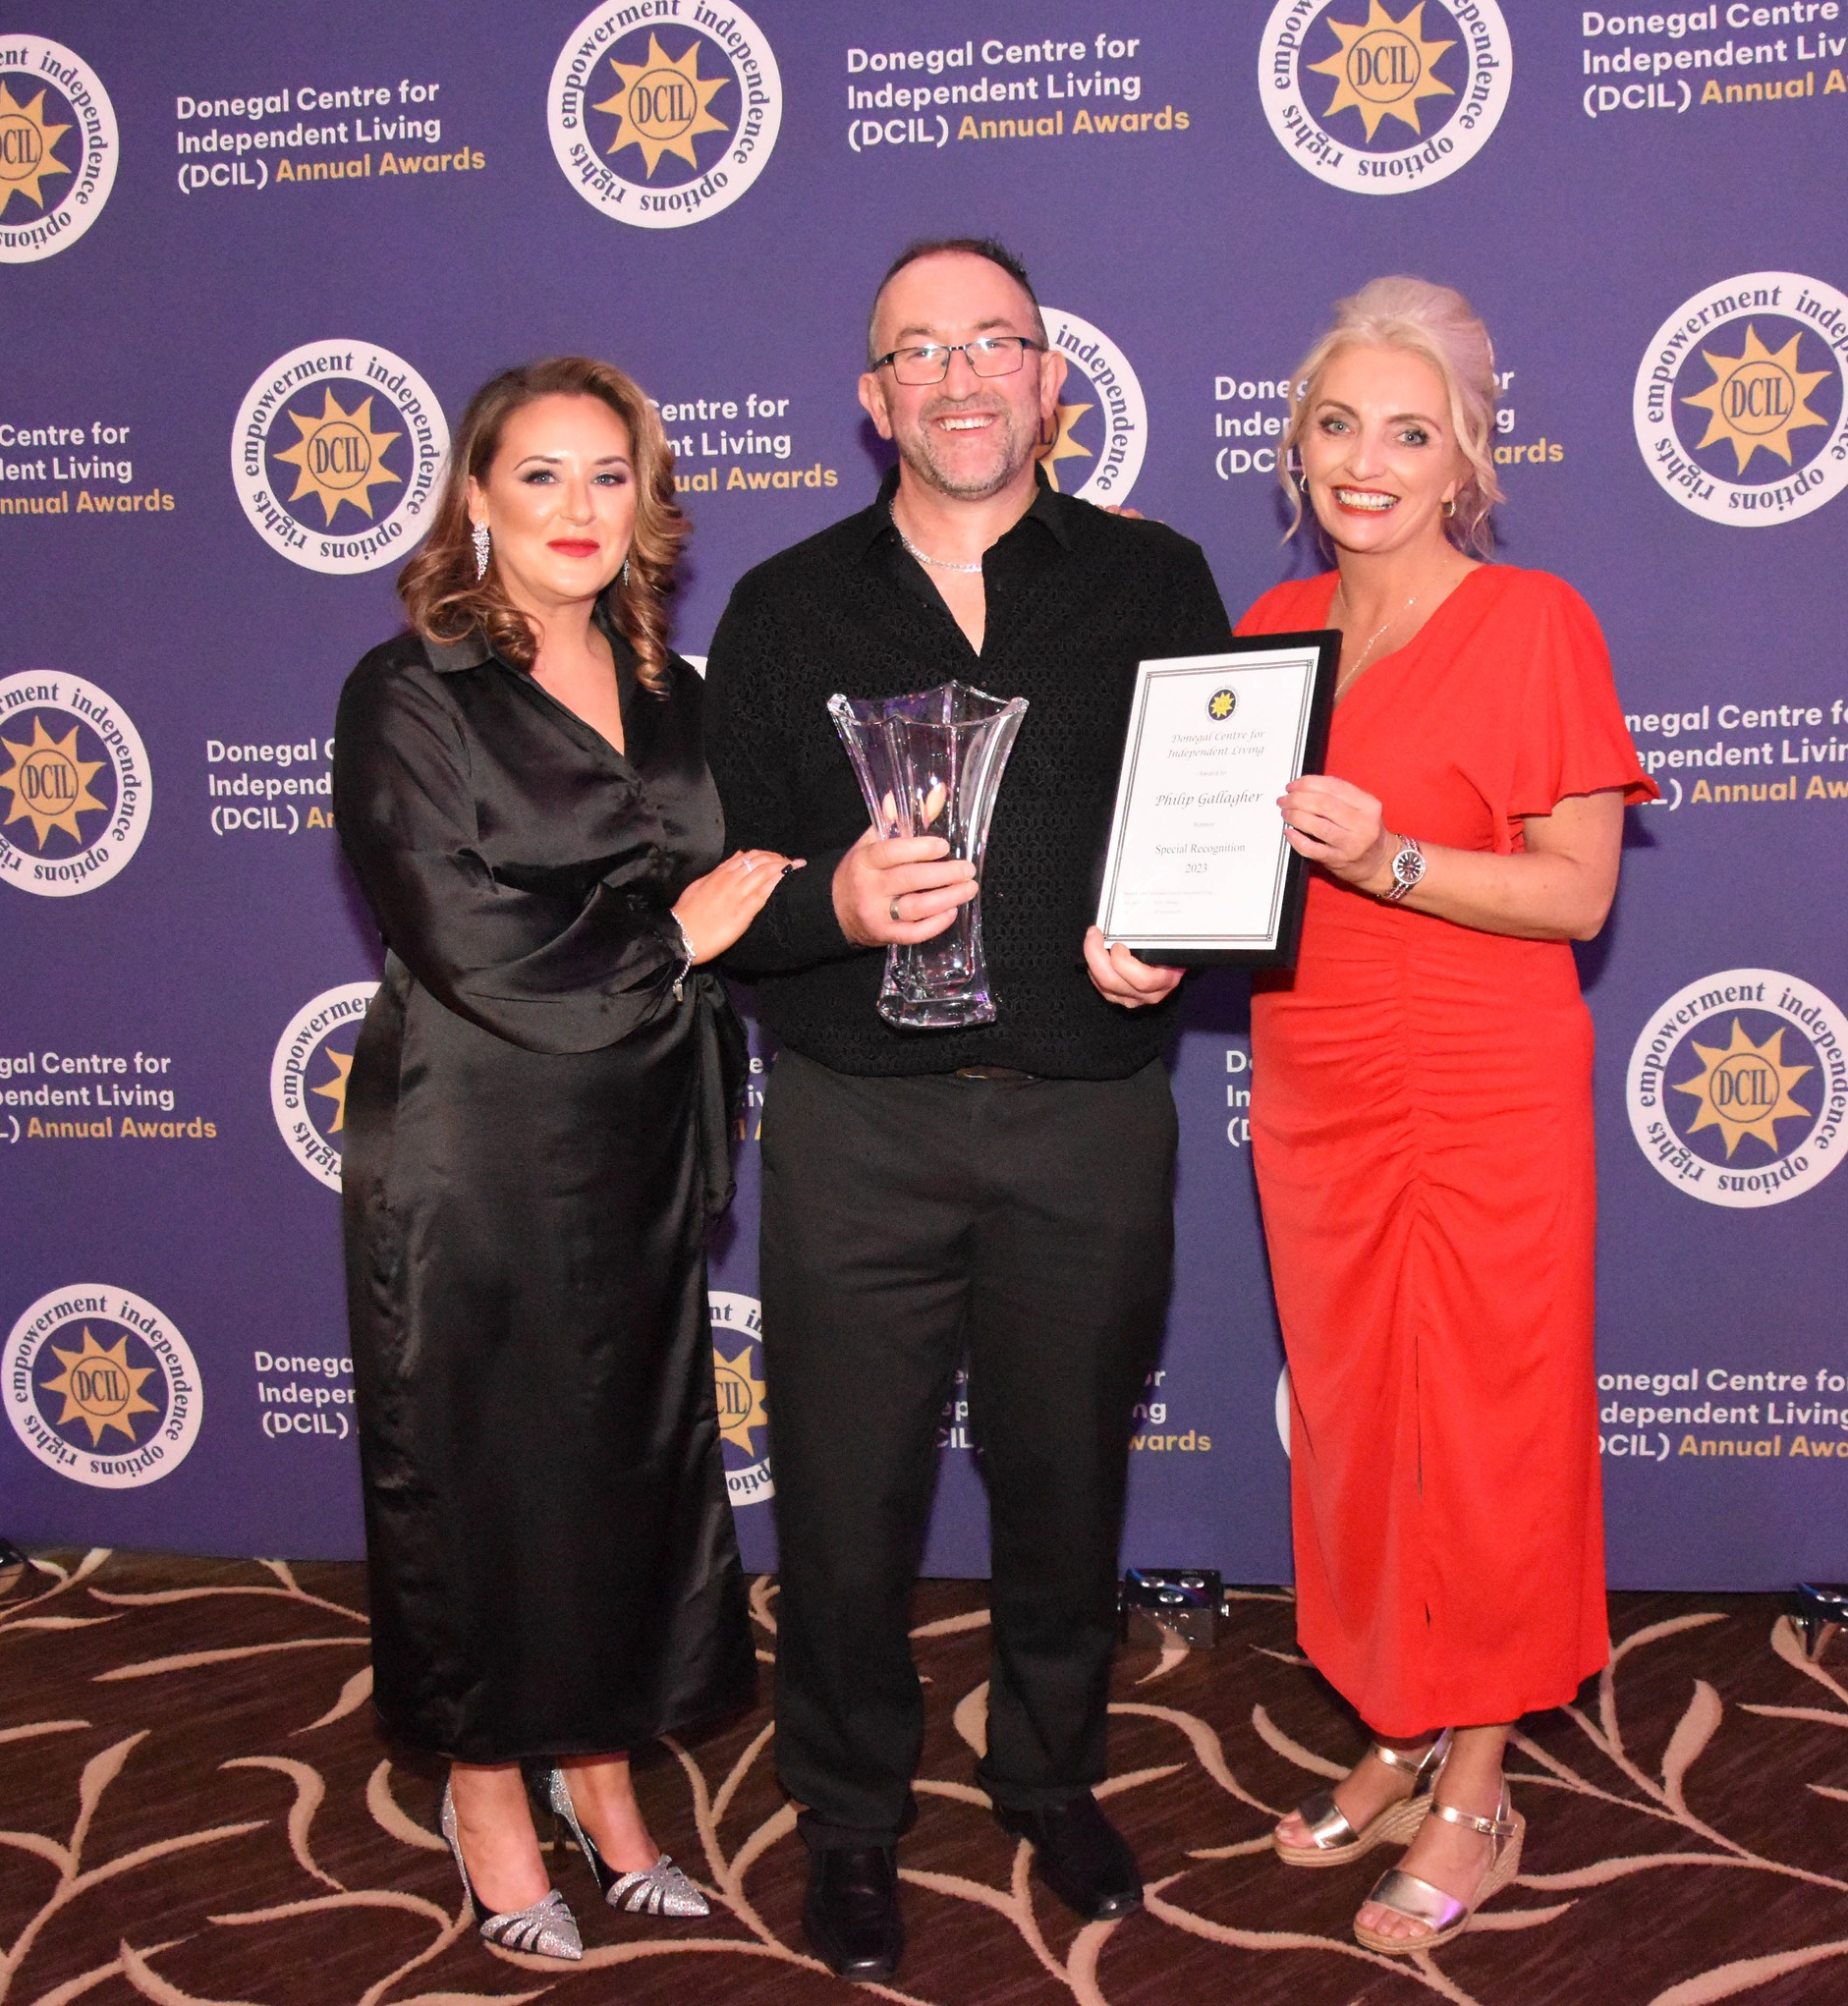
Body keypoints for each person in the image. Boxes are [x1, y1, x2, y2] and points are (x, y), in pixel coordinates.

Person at [702, 238, 1233, 1981]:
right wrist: (833, 905)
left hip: (1089, 1115)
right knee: (843, 1500)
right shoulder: (784, 607)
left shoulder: (1154, 578)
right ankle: (851, 1818)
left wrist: (1181, 935)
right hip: (860, 1126)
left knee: (1067, 1483)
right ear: (875, 400)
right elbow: (724, 896)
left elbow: (1221, 823)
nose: (959, 377)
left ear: (1048, 380)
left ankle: (1050, 1777)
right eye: (919, 351)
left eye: (994, 343)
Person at [333, 357, 798, 1958]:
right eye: (541, 474)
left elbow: (753, 870)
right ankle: (484, 1795)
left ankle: (603, 1783)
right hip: (477, 1140)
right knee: (489, 1472)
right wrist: (674, 938)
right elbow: (458, 930)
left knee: (625, 1463)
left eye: (611, 475)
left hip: (647, 1134)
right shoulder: (413, 691)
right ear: (478, 497)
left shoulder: (675, 689)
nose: (579, 508)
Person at [1236, 278, 1657, 1954]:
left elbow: (1577, 892)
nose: (1367, 460)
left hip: (1482, 1083)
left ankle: (1478, 1778)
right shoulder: (1268, 630)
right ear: (1297, 443)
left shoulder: (1535, 619)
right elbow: (1230, 871)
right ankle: (1400, 1723)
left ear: (1467, 458)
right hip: (1317, 1073)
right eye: (1339, 424)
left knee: (1485, 1431)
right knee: (1356, 1426)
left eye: (1410, 433)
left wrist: (1389, 857)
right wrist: (1147, 937)